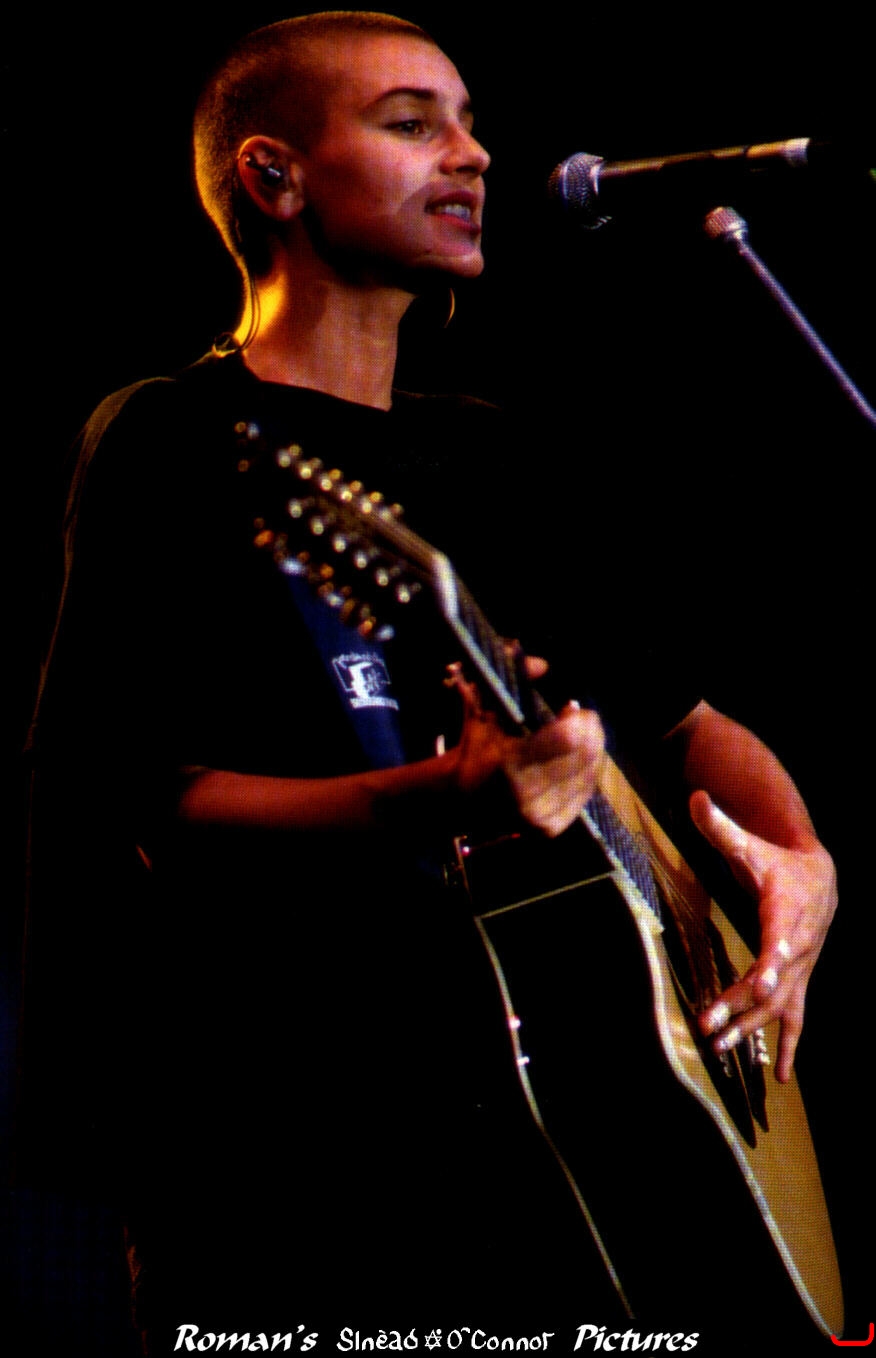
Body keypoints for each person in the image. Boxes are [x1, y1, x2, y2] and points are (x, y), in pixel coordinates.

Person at [24, 11, 839, 1353]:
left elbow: (691, 726)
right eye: (412, 124)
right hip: (297, 1153)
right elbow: (138, 802)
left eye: (469, 123)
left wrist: (802, 868)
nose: (473, 156)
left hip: (549, 1155)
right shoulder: (175, 437)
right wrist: (447, 793)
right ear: (274, 177)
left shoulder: (495, 458)